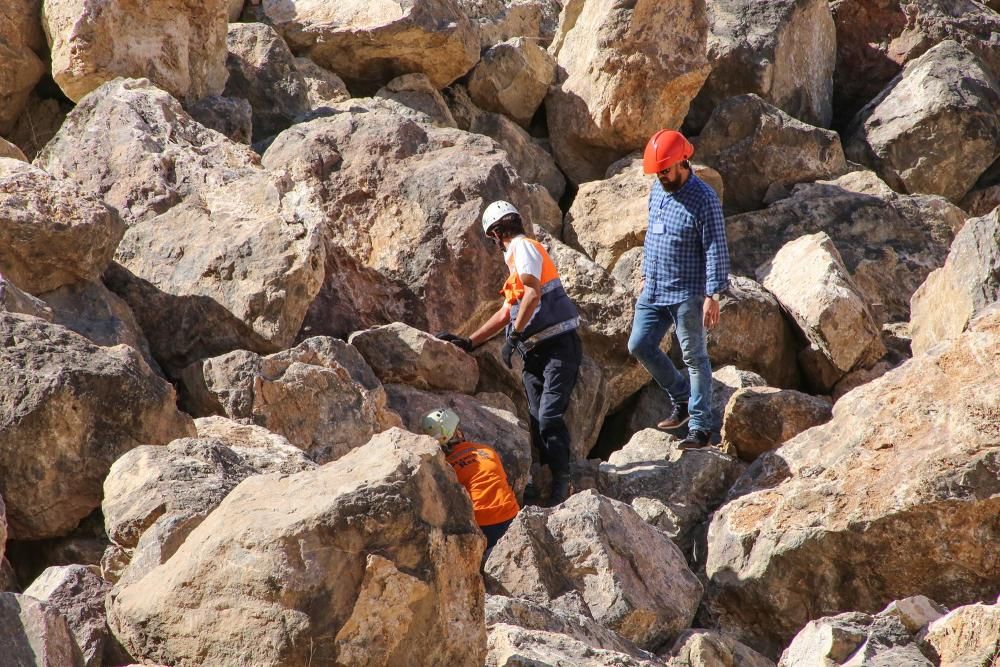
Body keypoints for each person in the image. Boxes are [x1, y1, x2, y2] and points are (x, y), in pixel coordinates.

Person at [436, 201, 581, 505]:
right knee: (536, 418)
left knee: (549, 415)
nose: (495, 244)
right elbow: (506, 312)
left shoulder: (523, 248)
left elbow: (532, 293)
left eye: (493, 238)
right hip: (536, 353)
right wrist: (469, 342)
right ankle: (543, 480)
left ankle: (563, 482)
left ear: (497, 233)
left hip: (558, 347)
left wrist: (514, 336)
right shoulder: (517, 263)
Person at [627, 130, 730, 449]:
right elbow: (652, 235)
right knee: (639, 344)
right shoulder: (658, 191)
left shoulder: (704, 199)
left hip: (688, 292)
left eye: (666, 171)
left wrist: (713, 294)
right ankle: (682, 399)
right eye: (658, 173)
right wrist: (645, 273)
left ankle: (700, 427)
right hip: (655, 289)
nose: (662, 177)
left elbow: (716, 247)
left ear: (683, 163)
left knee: (695, 357)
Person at [421, 407, 520, 552]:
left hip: (480, 524)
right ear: (457, 432)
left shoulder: (444, 467)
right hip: (511, 515)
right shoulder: (486, 451)